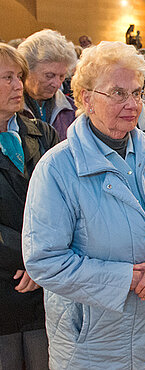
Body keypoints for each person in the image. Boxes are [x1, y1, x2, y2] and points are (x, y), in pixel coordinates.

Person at [22, 41, 145, 369]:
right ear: (85, 97)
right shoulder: (58, 168)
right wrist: (123, 278)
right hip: (91, 343)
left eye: (137, 93)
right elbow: (44, 260)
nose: (132, 104)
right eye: (117, 93)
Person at [0, 43, 59, 370]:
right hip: (6, 278)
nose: (18, 85)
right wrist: (27, 257)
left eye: (19, 76)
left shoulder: (43, 133)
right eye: (7, 77)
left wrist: (41, 259)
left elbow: (63, 200)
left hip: (43, 281)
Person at [18, 29, 78, 140]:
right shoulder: (9, 110)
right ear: (27, 71)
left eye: (61, 76)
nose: (56, 84)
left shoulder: (74, 111)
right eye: (49, 76)